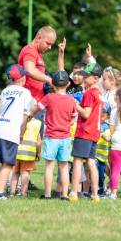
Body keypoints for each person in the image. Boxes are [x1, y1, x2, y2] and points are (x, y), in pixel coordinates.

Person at [29, 69, 77, 201]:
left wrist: (30, 114)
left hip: (51, 136)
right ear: (68, 84)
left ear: (52, 85)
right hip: (66, 137)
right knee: (64, 167)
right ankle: (65, 195)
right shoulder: (71, 100)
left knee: (49, 166)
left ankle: (48, 194)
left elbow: (36, 108)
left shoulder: (48, 98)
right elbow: (73, 119)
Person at [0, 64, 33, 200]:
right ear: (23, 79)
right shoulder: (25, 92)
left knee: (3, 163)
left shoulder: (5, 91)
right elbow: (25, 116)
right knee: (8, 163)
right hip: (11, 130)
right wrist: (22, 133)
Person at [69, 62, 104, 202]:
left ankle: (73, 192)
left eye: (87, 76)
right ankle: (95, 195)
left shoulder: (90, 93)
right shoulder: (98, 93)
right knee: (91, 162)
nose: (83, 78)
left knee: (77, 161)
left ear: (95, 78)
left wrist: (74, 103)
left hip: (84, 132)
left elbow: (86, 114)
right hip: (94, 133)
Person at [18, 26, 57, 102]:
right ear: (39, 37)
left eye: (51, 45)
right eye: (48, 43)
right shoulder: (29, 50)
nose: (50, 47)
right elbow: (29, 70)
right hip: (28, 101)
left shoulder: (38, 53)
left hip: (37, 101)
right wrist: (49, 80)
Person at [9, 118, 42, 197]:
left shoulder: (18, 120)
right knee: (25, 172)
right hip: (28, 152)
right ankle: (23, 193)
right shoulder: (37, 123)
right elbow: (39, 142)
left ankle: (12, 192)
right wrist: (38, 153)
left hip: (16, 150)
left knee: (15, 172)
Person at [96, 104, 112, 196]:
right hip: (94, 154)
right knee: (93, 172)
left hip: (102, 156)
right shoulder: (94, 123)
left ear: (108, 116)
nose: (101, 116)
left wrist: (103, 134)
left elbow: (108, 138)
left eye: (103, 114)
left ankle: (101, 190)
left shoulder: (107, 126)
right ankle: (93, 189)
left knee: (101, 175)